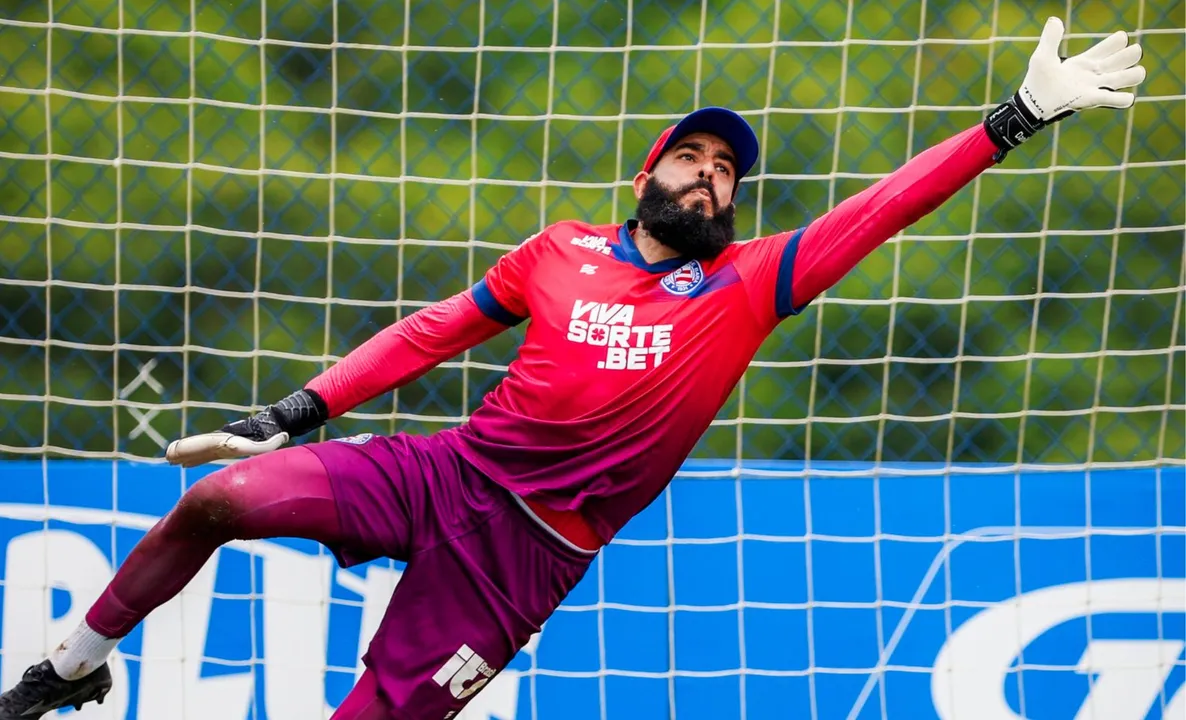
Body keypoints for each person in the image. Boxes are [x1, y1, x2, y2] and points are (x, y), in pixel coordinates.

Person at [0, 17, 1145, 720]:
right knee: (219, 496)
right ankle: (70, 666)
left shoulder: (749, 280)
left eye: (726, 173)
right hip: (442, 473)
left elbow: (886, 205)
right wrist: (297, 411)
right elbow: (433, 330)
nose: (709, 178)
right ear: (647, 174)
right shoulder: (559, 251)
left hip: (521, 563)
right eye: (691, 158)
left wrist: (1015, 117)